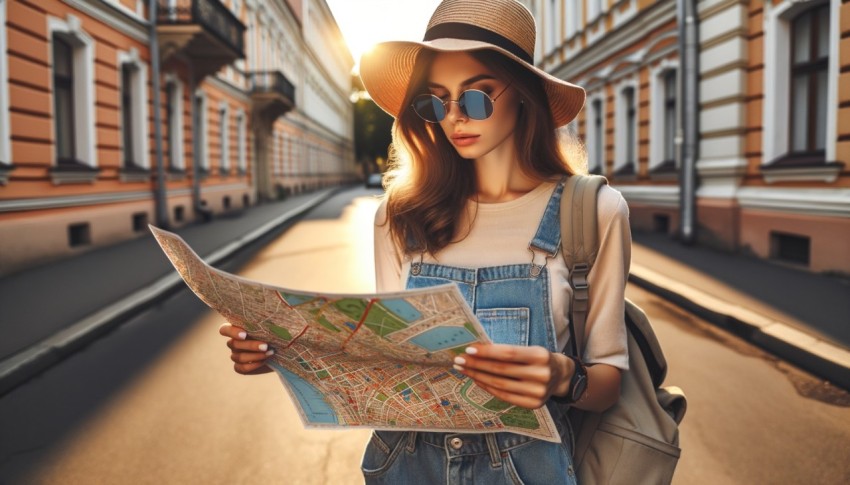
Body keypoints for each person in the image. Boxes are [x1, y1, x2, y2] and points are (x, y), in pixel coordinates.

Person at [219, 0, 631, 483]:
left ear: (523, 95)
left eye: (477, 98)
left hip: (527, 472)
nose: (454, 118)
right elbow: (389, 366)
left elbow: (609, 383)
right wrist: (284, 354)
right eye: (434, 102)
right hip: (405, 465)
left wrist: (564, 376)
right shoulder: (399, 217)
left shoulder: (592, 210)